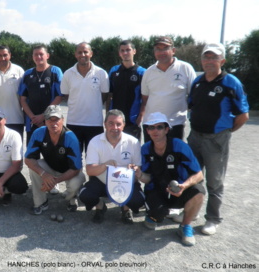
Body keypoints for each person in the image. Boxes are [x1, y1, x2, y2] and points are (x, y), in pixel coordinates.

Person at [188, 43, 249, 235]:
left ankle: (213, 219)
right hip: (195, 137)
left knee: (214, 182)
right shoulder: (197, 82)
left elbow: (243, 115)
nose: (209, 61)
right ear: (202, 60)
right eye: (206, 57)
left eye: (214, 57)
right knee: (193, 177)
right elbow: (192, 106)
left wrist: (225, 132)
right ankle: (193, 211)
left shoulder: (231, 83)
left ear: (222, 61)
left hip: (216, 140)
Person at [139, 112, 205, 246]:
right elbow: (146, 177)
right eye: (151, 127)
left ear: (167, 129)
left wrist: (184, 186)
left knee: (199, 191)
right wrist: (137, 173)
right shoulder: (145, 149)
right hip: (157, 191)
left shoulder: (179, 146)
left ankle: (185, 226)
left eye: (159, 127)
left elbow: (199, 175)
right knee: (155, 218)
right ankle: (155, 213)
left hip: (179, 190)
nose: (155, 131)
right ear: (147, 131)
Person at [79, 109, 145, 224]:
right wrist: (105, 165)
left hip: (126, 183)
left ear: (123, 125)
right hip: (102, 182)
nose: (115, 127)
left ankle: (125, 208)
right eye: (111, 123)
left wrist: (133, 171)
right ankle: (100, 206)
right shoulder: (95, 141)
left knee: (139, 200)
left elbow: (138, 170)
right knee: (85, 195)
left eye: (118, 124)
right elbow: (89, 170)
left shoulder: (133, 142)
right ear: (105, 125)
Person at [24, 105, 85, 215]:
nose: (53, 123)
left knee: (78, 179)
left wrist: (55, 181)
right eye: (49, 119)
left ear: (62, 120)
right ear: (45, 121)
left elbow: (76, 169)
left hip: (69, 171)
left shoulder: (71, 137)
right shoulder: (38, 133)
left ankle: (70, 197)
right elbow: (28, 159)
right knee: (34, 168)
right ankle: (40, 202)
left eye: (56, 119)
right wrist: (44, 174)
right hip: (50, 167)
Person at [138, 36, 196, 142]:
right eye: (158, 49)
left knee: (174, 157)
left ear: (173, 50)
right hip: (151, 125)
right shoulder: (149, 72)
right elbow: (145, 99)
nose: (161, 52)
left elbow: (194, 97)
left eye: (165, 48)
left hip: (175, 124)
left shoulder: (185, 68)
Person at [61, 42, 109, 153]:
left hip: (95, 123)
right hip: (73, 122)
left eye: (85, 52)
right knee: (74, 156)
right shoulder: (68, 74)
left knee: (94, 156)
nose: (83, 54)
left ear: (91, 53)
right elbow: (66, 95)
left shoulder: (101, 73)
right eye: (79, 52)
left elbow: (105, 95)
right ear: (75, 54)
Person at [18, 45, 63, 145]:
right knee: (32, 155)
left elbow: (60, 96)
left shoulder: (55, 71)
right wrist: (33, 118)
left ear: (47, 55)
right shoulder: (27, 74)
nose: (38, 57)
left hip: (51, 120)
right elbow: (23, 99)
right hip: (32, 122)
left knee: (52, 154)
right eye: (36, 55)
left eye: (41, 54)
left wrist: (43, 116)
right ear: (33, 57)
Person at [107, 40, 146, 140]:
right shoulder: (114, 71)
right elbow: (109, 94)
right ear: (119, 53)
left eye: (128, 50)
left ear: (134, 51)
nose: (125, 53)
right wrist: (107, 114)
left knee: (132, 151)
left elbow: (145, 97)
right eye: (122, 50)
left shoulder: (142, 72)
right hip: (115, 120)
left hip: (132, 119)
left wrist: (141, 115)